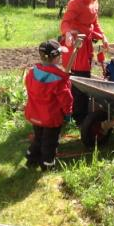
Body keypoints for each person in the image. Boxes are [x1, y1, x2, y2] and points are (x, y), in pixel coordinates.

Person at [59, 0, 109, 125]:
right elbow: (65, 22)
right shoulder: (76, 2)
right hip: (75, 43)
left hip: (86, 44)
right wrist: (67, 33)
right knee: (77, 78)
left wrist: (103, 36)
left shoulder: (95, 2)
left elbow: (94, 21)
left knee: (85, 76)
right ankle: (77, 116)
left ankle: (81, 112)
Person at [24, 39, 73, 171]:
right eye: (60, 55)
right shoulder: (59, 79)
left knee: (38, 137)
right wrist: (68, 113)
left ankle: (31, 159)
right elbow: (66, 99)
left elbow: (29, 89)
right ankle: (47, 165)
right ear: (56, 58)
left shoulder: (32, 73)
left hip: (35, 114)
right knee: (50, 142)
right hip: (51, 118)